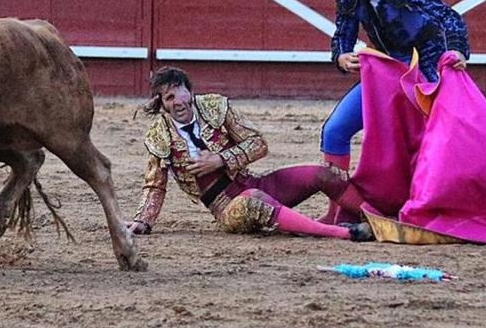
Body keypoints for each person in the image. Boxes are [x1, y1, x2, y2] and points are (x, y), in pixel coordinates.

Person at [126, 66, 378, 242]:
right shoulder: (159, 135)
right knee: (253, 200)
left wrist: (220, 159)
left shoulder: (215, 106)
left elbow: (259, 143)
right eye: (168, 98)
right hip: (227, 207)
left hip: (257, 183)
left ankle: (380, 220)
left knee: (324, 173)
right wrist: (143, 221)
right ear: (162, 104)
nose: (176, 102)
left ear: (190, 93)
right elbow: (155, 186)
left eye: (178, 94)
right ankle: (342, 233)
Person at [321, 0, 469, 175]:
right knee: (334, 131)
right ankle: (338, 211)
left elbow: (449, 18)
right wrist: (341, 56)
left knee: (439, 141)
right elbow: (343, 34)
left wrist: (457, 50)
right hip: (387, 72)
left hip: (426, 72)